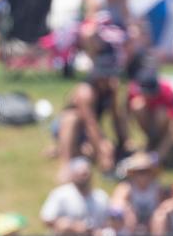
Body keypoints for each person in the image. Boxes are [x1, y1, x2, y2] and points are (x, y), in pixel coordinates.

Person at [53, 52, 128, 180]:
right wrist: (101, 151)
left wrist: (123, 143)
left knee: (101, 150)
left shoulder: (112, 88)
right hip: (67, 128)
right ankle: (65, 164)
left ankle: (69, 150)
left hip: (89, 131)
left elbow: (116, 116)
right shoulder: (85, 92)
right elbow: (90, 124)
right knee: (72, 118)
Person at [40, 156, 109, 236]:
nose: (83, 177)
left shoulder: (101, 197)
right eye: (79, 174)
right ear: (72, 174)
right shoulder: (61, 194)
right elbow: (47, 218)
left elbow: (109, 223)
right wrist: (73, 227)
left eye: (85, 174)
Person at [127, 67, 173, 166]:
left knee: (161, 112)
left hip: (163, 124)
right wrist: (128, 139)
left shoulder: (166, 90)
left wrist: (162, 152)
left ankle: (158, 145)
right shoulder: (133, 90)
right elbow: (126, 115)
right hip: (148, 122)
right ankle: (151, 141)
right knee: (137, 105)